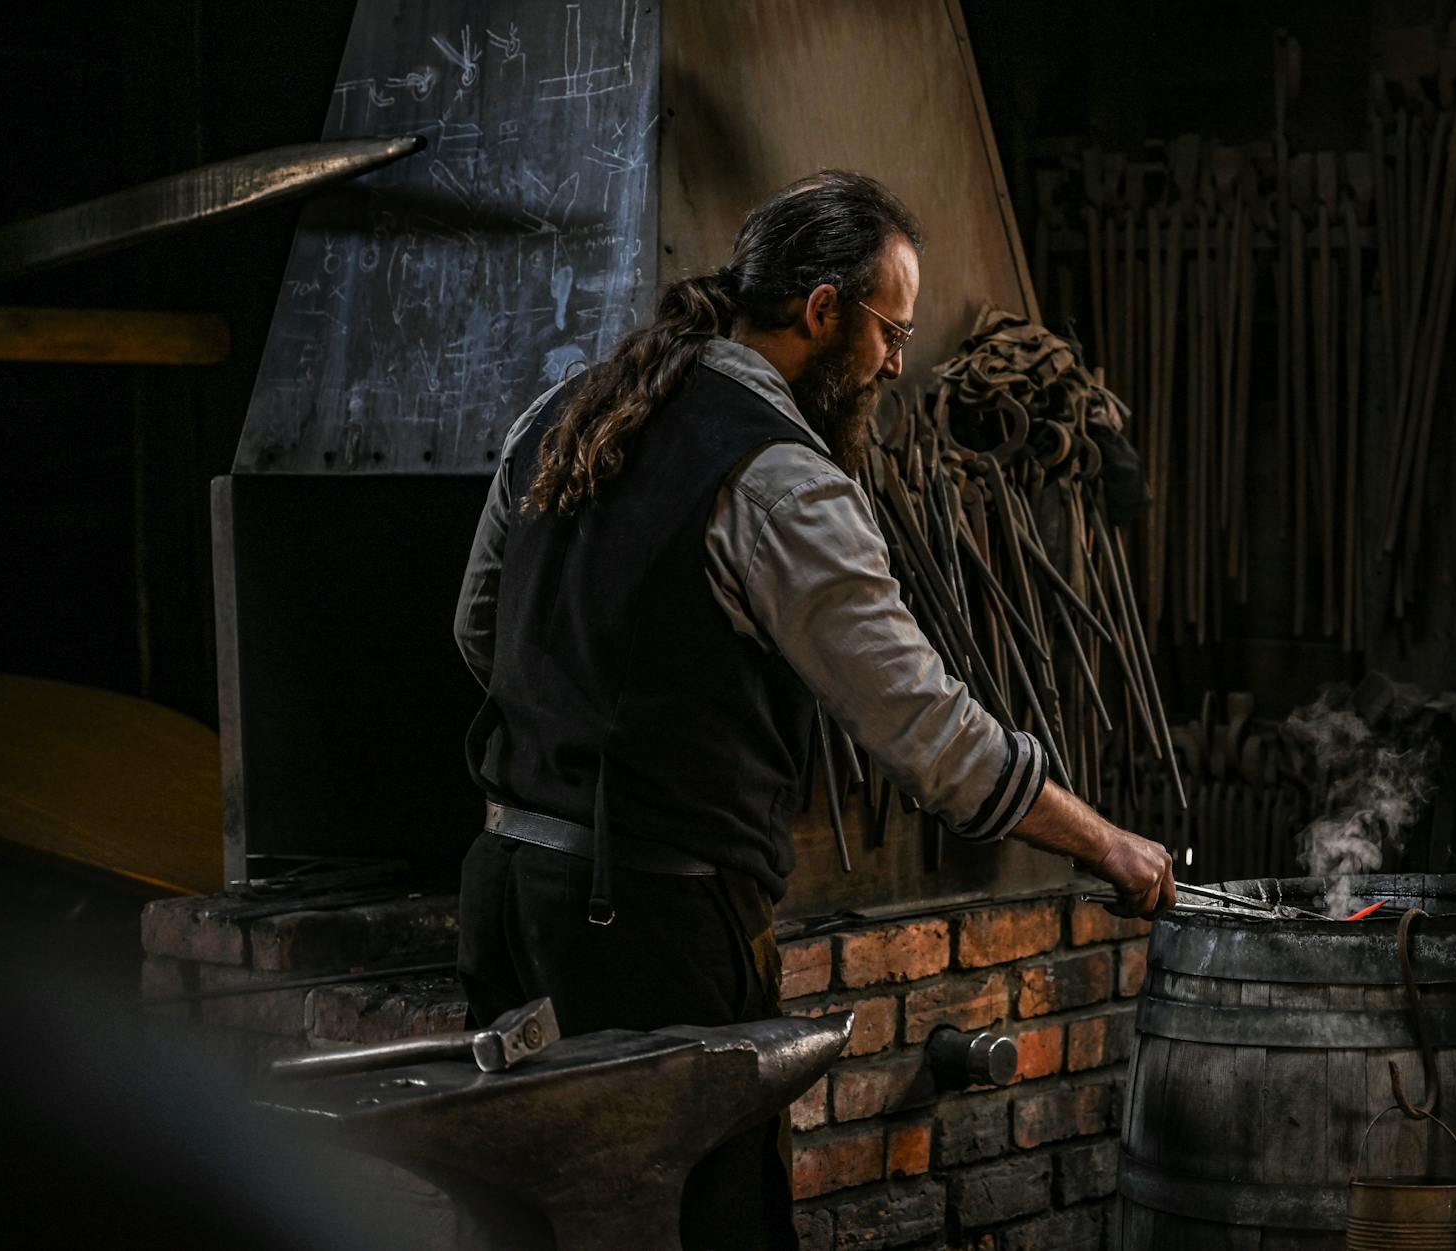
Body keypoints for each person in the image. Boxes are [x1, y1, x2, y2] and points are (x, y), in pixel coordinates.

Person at [451, 170, 1175, 1249]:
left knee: (533, 1224)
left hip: (506, 891)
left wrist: (584, 728)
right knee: (708, 1222)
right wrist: (1105, 842)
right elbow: (928, 736)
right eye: (889, 330)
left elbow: (477, 629)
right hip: (650, 923)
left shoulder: (563, 412)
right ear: (821, 311)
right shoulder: (778, 480)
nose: (895, 360)